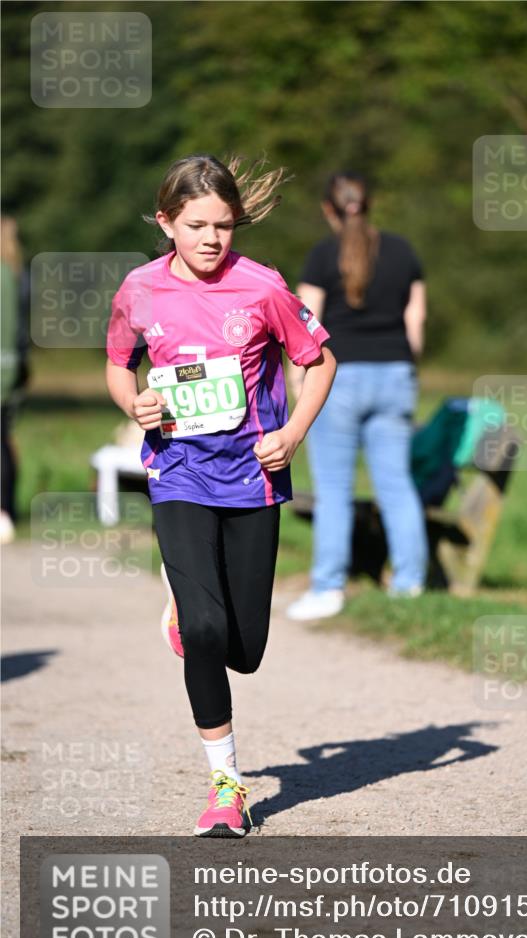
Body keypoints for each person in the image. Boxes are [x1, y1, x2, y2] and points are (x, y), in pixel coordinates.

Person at [105, 154, 336, 836]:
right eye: (197, 225)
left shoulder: (262, 287)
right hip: (177, 471)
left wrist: (293, 432)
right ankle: (225, 788)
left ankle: (191, 607)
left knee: (245, 647)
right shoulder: (139, 290)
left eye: (224, 226)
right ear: (166, 222)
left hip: (253, 477)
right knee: (206, 634)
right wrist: (135, 405)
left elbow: (319, 361)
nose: (211, 240)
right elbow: (119, 364)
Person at [286, 172, 428, 621]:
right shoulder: (404, 251)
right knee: (397, 485)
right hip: (395, 376)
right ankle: (409, 585)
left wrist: (298, 384)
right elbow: (416, 326)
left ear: (328, 209)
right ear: (370, 204)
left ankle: (328, 588)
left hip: (338, 379)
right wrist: (401, 367)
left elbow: (303, 327)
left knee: (333, 491)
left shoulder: (320, 256)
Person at [1, 216, 31, 544]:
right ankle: (7, 508)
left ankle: (3, 512)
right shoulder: (16, 273)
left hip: (3, 370)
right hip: (13, 369)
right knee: (5, 440)